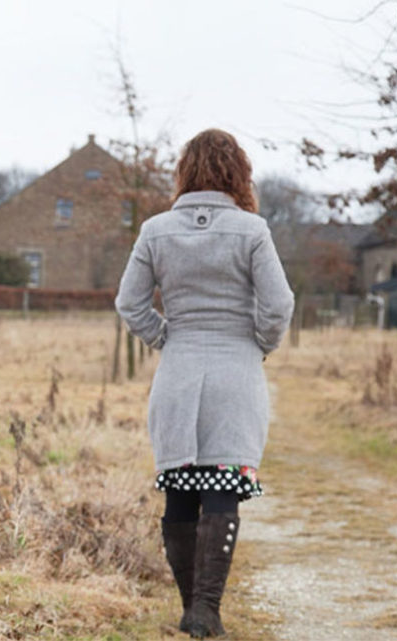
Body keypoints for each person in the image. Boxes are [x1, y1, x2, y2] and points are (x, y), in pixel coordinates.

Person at [115, 129, 294, 638]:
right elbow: (279, 305)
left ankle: (190, 605)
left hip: (179, 368)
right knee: (222, 489)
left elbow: (129, 303)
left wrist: (166, 338)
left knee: (180, 488)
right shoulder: (253, 230)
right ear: (238, 172)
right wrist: (259, 342)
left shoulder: (154, 230)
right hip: (236, 372)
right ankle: (206, 609)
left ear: (184, 172)